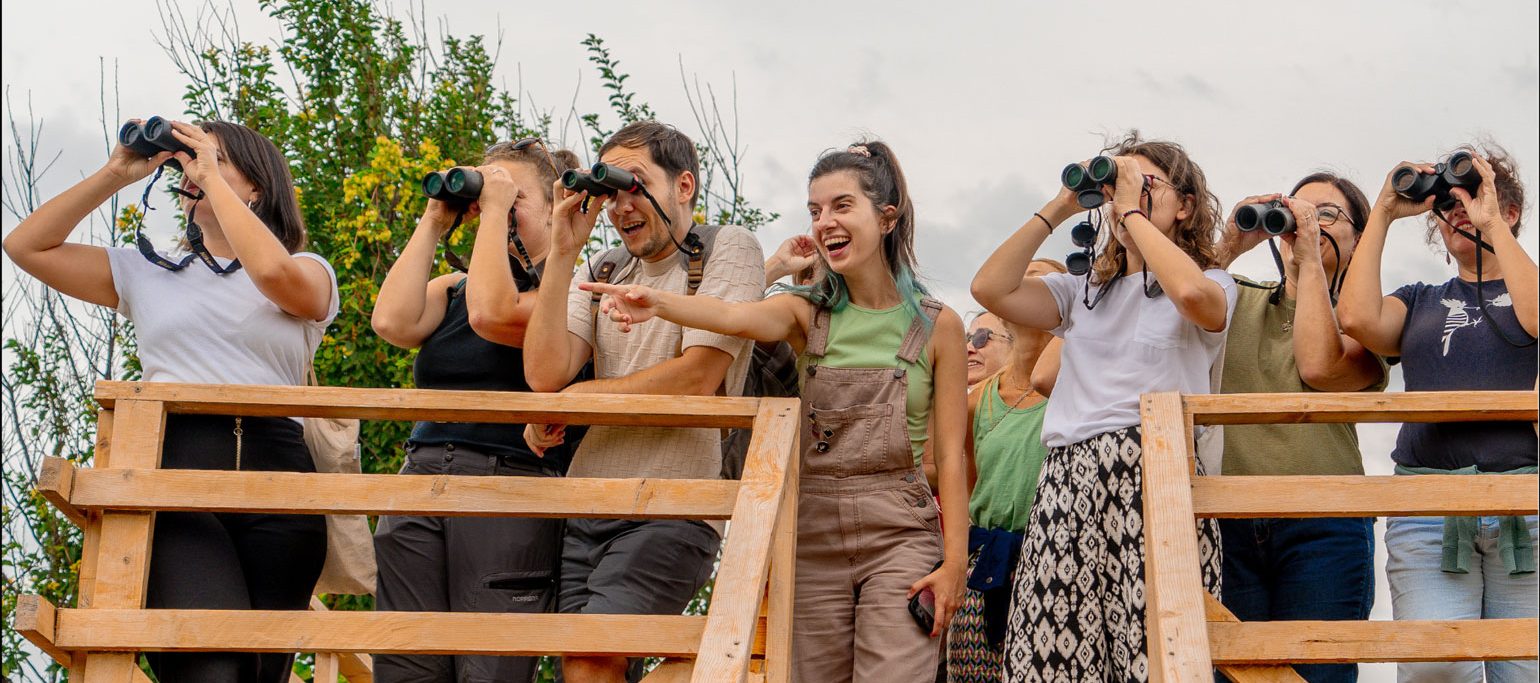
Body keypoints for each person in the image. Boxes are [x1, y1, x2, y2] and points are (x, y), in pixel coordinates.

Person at [581, 140, 970, 682]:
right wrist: (661, 303)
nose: (824, 222)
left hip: (901, 530)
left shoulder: (938, 326)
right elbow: (731, 315)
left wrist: (954, 565)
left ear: (886, 217)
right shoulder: (803, 313)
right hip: (809, 531)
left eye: (841, 206)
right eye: (814, 210)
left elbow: (951, 459)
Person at [4, 118, 337, 682]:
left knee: (262, 673)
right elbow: (26, 245)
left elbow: (276, 275)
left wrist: (209, 171)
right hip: (172, 463)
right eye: (184, 161)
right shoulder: (145, 272)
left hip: (279, 475)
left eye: (213, 159)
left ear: (257, 187)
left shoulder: (309, 270)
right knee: (206, 669)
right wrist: (117, 172)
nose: (189, 167)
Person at [971, 132, 1234, 681]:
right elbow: (989, 289)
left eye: (1148, 184)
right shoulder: (1084, 290)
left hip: (1154, 472)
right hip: (1068, 476)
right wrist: (1065, 203)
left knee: (1156, 651)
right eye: (1120, 184)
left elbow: (1192, 300)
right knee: (1054, 654)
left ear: (1186, 206)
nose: (1127, 195)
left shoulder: (1213, 280)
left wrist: (1131, 214)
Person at [518, 120, 765, 683]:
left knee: (592, 657)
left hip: (672, 505)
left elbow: (699, 375)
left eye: (634, 184)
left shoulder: (727, 247)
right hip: (587, 503)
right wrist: (562, 252)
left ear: (684, 186)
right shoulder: (604, 267)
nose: (619, 206)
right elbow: (544, 372)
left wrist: (579, 399)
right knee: (583, 668)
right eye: (609, 191)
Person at [369, 138, 581, 683]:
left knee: (490, 667)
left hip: (510, 483)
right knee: (406, 663)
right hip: (420, 476)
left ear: (555, 204)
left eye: (514, 197)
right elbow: (392, 323)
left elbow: (495, 313)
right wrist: (436, 218)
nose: (497, 205)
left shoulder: (570, 295)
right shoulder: (453, 288)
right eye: (489, 192)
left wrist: (491, 212)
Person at [1338, 144, 1538, 683]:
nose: (1457, 210)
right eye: (1446, 205)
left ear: (1510, 211)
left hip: (1525, 506)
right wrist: (1382, 210)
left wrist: (1491, 224)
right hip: (1428, 505)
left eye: (1468, 196)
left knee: (1522, 671)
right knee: (1434, 669)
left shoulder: (1529, 289)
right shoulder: (1420, 298)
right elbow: (1356, 318)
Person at [1212, 172, 1387, 683]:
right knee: (1228, 675)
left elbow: (1322, 368)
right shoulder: (1235, 298)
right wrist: (1228, 245)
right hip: (1226, 517)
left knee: (1318, 675)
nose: (1306, 223)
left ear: (1358, 241)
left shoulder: (1366, 322)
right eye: (1297, 210)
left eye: (1327, 215)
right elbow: (1165, 308)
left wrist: (1310, 260)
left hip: (1325, 524)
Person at [946, 260, 1064, 683]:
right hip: (986, 564)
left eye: (1045, 279)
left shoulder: (1078, 387)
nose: (1027, 285)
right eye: (1022, 275)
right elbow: (967, 483)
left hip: (1054, 561)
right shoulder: (977, 400)